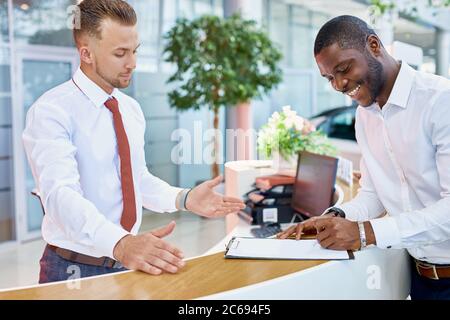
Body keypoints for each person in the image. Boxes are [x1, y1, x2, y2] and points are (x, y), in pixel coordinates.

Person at [22, 0, 245, 284]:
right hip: (72, 270)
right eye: (120, 53)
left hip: (129, 264)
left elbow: (136, 180)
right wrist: (121, 243)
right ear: (86, 54)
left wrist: (184, 198)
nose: (133, 63)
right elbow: (60, 197)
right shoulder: (51, 111)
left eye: (135, 51)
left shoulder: (130, 109)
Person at [277, 15, 450, 300]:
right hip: (420, 279)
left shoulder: (439, 101)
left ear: (373, 45)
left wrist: (365, 233)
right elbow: (374, 194)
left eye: (343, 69)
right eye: (330, 78)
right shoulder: (364, 117)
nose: (339, 85)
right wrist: (333, 218)